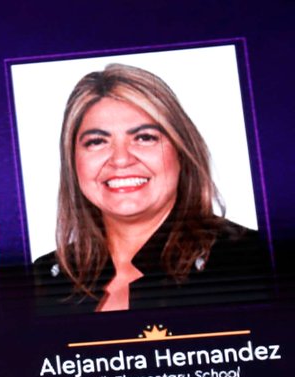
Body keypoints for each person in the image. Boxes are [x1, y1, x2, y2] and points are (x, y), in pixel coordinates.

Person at [34, 63, 271, 312]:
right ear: (73, 161)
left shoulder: (255, 261)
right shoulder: (44, 279)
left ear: (181, 151)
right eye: (97, 141)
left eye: (145, 137)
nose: (121, 159)